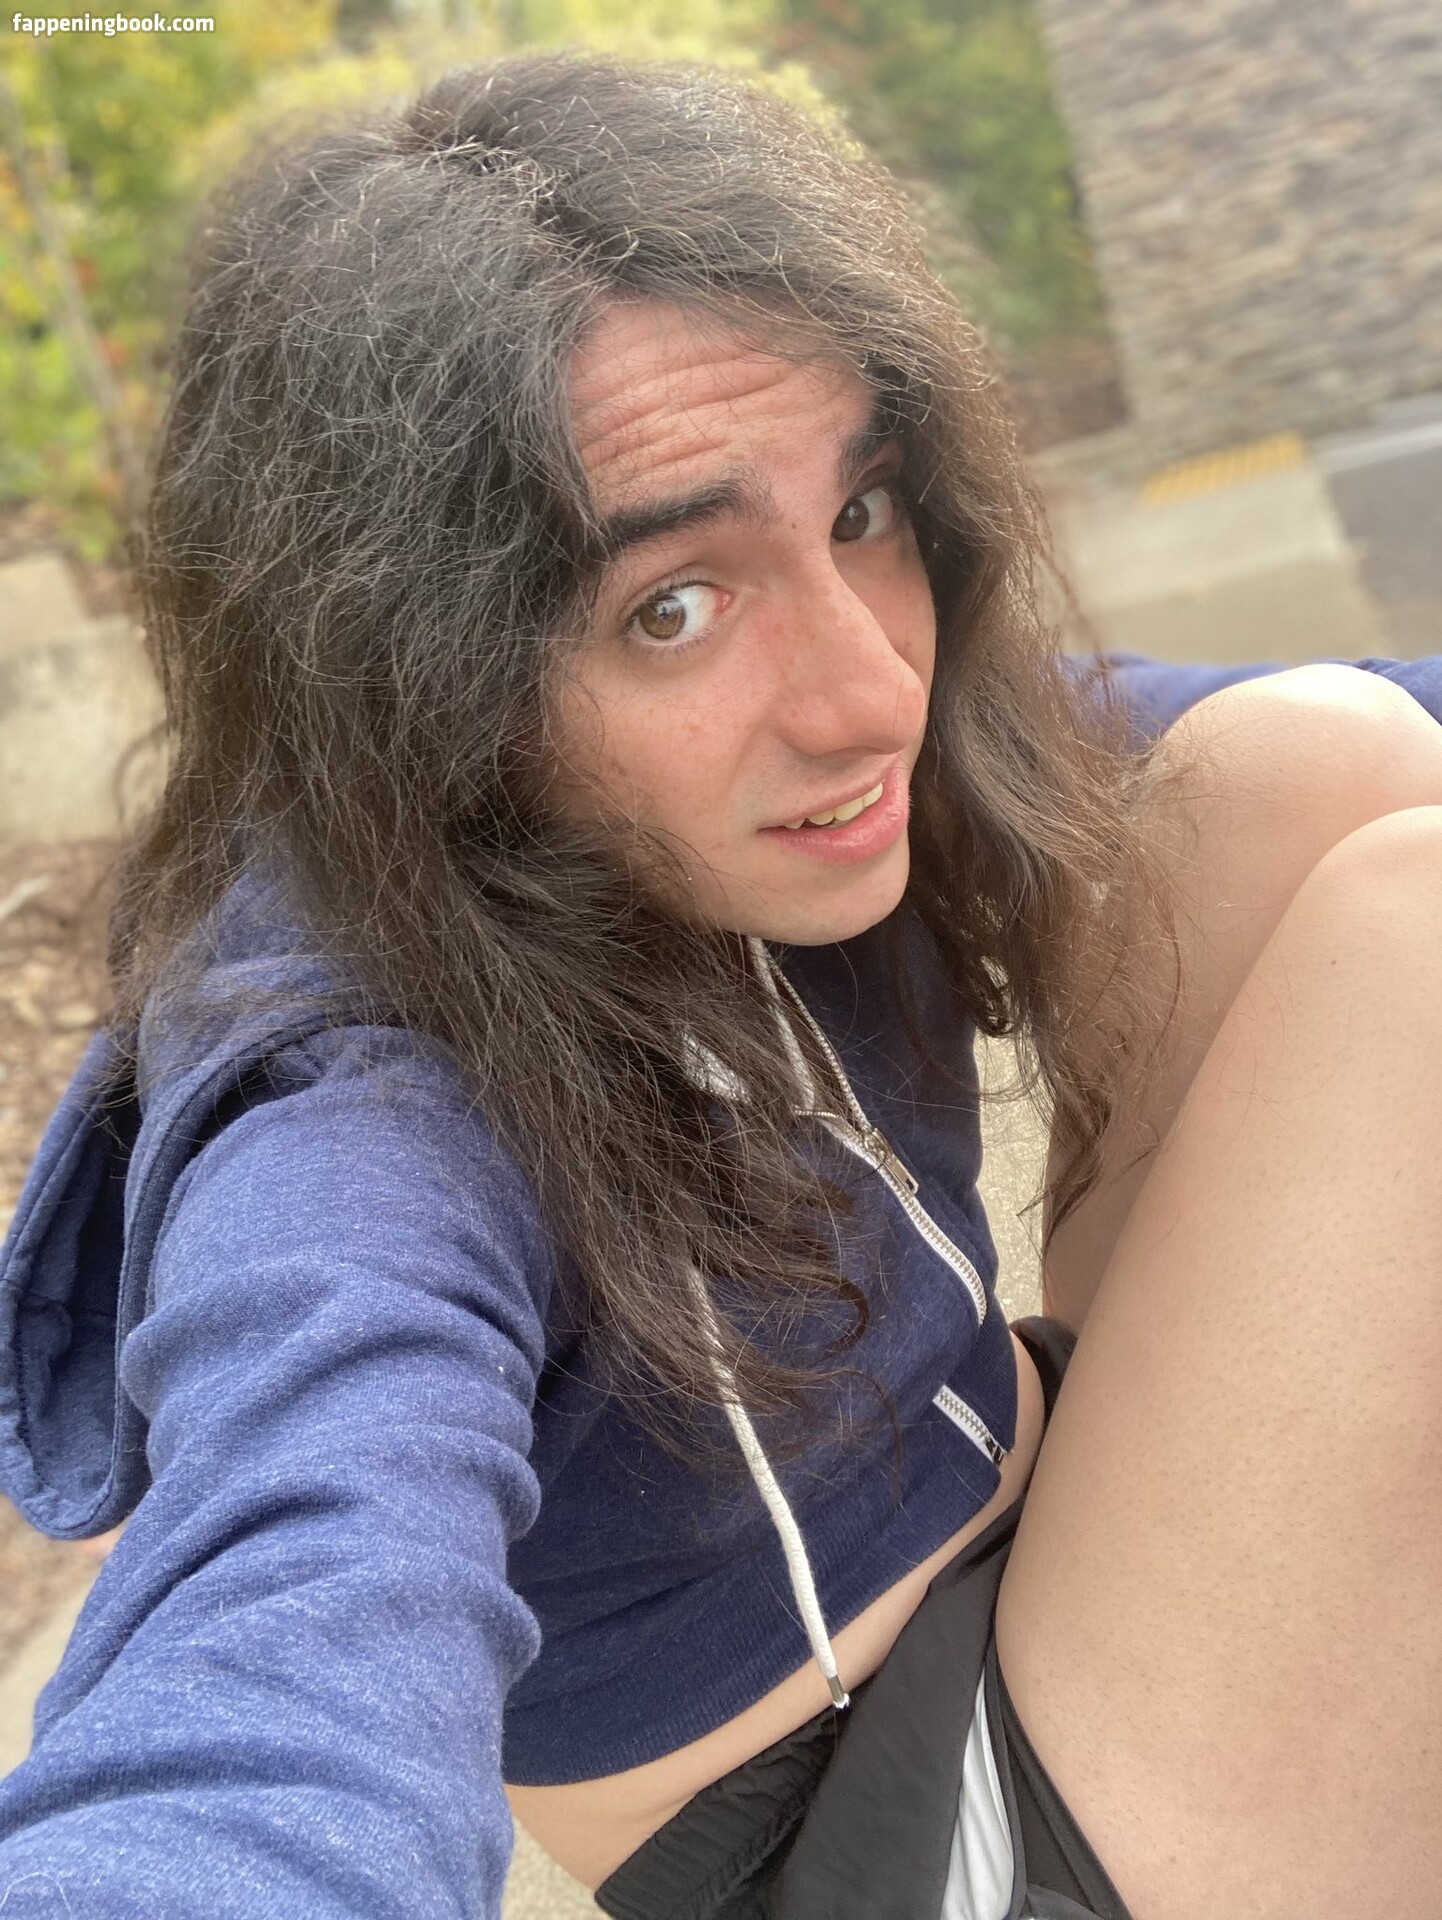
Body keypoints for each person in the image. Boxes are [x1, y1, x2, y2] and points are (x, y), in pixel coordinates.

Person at [1, 50, 1440, 1920]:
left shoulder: (801, 779)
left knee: (1311, 762)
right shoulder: (357, 1111)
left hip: (1059, 1525)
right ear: (410, 663)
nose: (868, 692)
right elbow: (284, 1634)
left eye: (858, 516)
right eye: (669, 606)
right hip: (910, 1843)